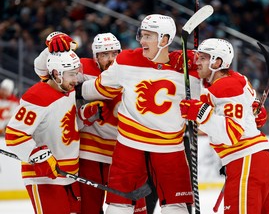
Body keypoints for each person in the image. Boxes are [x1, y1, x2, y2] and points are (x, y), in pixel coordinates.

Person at [79, 14, 201, 214]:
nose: (142, 40)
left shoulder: (188, 67)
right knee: (121, 204)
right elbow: (95, 88)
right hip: (135, 145)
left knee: (174, 205)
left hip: (160, 147)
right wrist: (66, 87)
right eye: (141, 35)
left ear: (164, 40)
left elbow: (214, 93)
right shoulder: (187, 67)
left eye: (148, 36)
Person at [35, 31, 148, 214]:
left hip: (125, 153)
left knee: (136, 210)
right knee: (89, 210)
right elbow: (45, 73)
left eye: (114, 53)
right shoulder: (82, 69)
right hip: (90, 153)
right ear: (95, 57)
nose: (110, 59)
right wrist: (50, 50)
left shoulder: (131, 69)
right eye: (104, 55)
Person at [180, 38, 269, 213]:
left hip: (246, 161)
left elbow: (230, 133)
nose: (197, 62)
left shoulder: (226, 87)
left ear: (217, 62)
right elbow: (248, 111)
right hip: (257, 161)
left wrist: (201, 113)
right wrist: (253, 112)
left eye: (203, 58)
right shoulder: (234, 79)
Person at [5, 49, 82, 214]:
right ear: (56, 73)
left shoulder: (68, 89)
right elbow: (13, 135)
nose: (76, 79)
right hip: (44, 177)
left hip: (70, 174)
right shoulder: (37, 97)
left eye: (76, 73)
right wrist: (39, 156)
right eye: (71, 74)